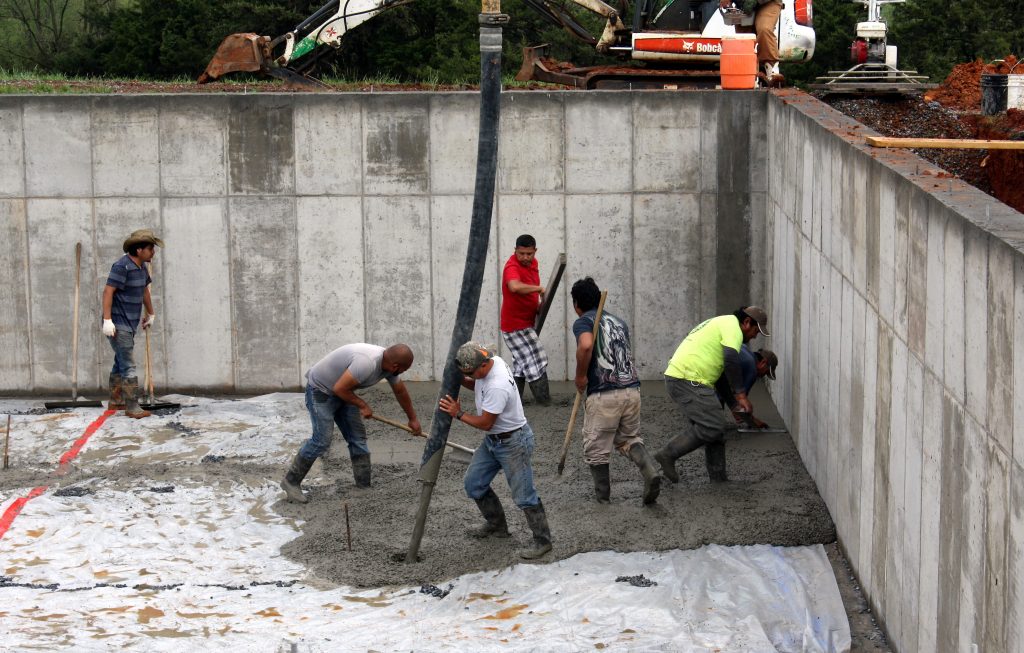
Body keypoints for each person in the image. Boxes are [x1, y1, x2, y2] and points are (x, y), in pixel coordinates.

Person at [439, 342, 552, 559]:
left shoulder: (497, 385)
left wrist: (458, 413)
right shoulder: (493, 362)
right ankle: (497, 527)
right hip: (494, 441)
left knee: (524, 496)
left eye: (470, 373)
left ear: (481, 366)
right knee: (474, 483)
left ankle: (543, 541)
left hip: (513, 442)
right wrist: (463, 379)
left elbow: (485, 423)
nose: (470, 376)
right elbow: (478, 385)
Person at [281, 343, 421, 504]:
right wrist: (362, 405)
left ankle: (363, 486)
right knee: (321, 440)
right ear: (396, 366)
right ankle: (291, 481)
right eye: (403, 370)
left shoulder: (390, 366)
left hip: (344, 392)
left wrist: (413, 419)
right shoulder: (367, 363)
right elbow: (339, 388)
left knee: (357, 438)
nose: (402, 373)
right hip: (320, 391)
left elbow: (400, 391)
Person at [570, 277, 661, 505]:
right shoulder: (619, 322)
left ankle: (603, 499)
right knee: (629, 438)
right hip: (631, 390)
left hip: (604, 393)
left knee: (596, 448)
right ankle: (649, 471)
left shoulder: (583, 322)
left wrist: (581, 375)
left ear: (576, 304)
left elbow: (586, 345)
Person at [654, 306, 770, 483]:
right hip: (687, 379)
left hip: (687, 378)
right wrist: (741, 395)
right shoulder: (733, 329)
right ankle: (667, 454)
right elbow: (731, 359)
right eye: (756, 330)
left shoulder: (723, 324)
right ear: (746, 322)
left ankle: (719, 479)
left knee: (715, 428)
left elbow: (720, 375)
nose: (755, 336)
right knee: (713, 426)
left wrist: (733, 404)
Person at [102, 229, 163, 419]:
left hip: (130, 322)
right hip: (118, 323)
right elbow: (108, 292)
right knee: (128, 364)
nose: (153, 252)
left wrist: (151, 313)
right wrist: (107, 320)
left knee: (120, 360)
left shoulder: (141, 267)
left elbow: (144, 291)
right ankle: (132, 406)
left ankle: (116, 400)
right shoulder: (122, 266)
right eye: (150, 249)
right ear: (138, 250)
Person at [500, 234, 550, 405]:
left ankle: (515, 401)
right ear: (515, 251)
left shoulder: (533, 263)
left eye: (529, 254)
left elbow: (527, 285)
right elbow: (514, 286)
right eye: (521, 253)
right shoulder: (511, 266)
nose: (525, 257)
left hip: (527, 321)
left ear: (535, 251)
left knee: (521, 364)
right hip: (514, 325)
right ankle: (545, 403)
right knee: (537, 358)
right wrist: (538, 289)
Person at [715, 345, 778, 428]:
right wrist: (753, 421)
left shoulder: (744, 349)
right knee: (715, 423)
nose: (763, 376)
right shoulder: (752, 369)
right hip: (709, 373)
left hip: (706, 361)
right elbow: (740, 402)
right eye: (766, 372)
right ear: (763, 362)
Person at [722, 0, 784, 83]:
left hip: (768, 3)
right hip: (744, 4)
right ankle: (749, 74)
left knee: (764, 29)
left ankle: (771, 70)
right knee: (745, 37)